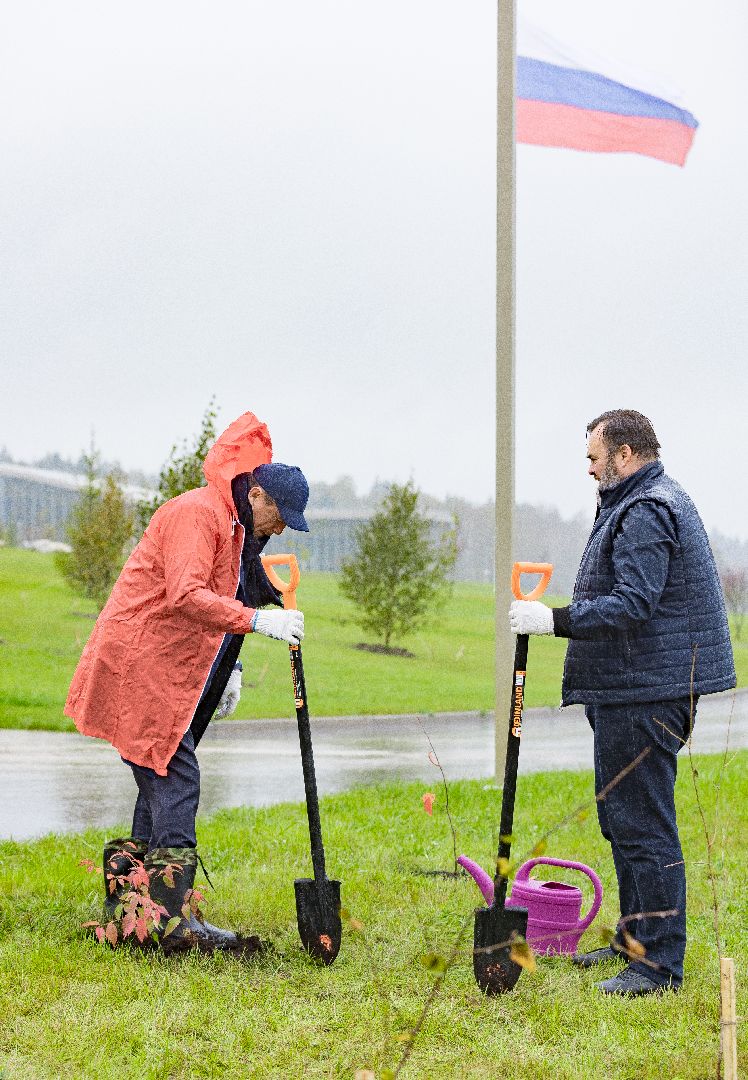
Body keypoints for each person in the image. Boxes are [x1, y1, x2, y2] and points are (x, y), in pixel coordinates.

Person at [65, 411, 311, 953]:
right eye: (281, 516)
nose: (281, 528)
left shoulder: (232, 525)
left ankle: (129, 914)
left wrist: (233, 669)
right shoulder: (198, 514)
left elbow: (229, 594)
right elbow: (185, 594)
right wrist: (257, 621)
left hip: (160, 666)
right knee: (178, 777)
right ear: (260, 494)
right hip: (138, 663)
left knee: (159, 773)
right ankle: (169, 927)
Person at [509, 409, 735, 996]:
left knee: (643, 826)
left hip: (646, 694)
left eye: (593, 456)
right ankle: (633, 945)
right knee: (622, 821)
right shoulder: (637, 503)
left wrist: (553, 620)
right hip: (632, 689)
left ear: (626, 454)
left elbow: (633, 603)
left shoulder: (647, 509)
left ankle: (656, 967)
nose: (588, 467)